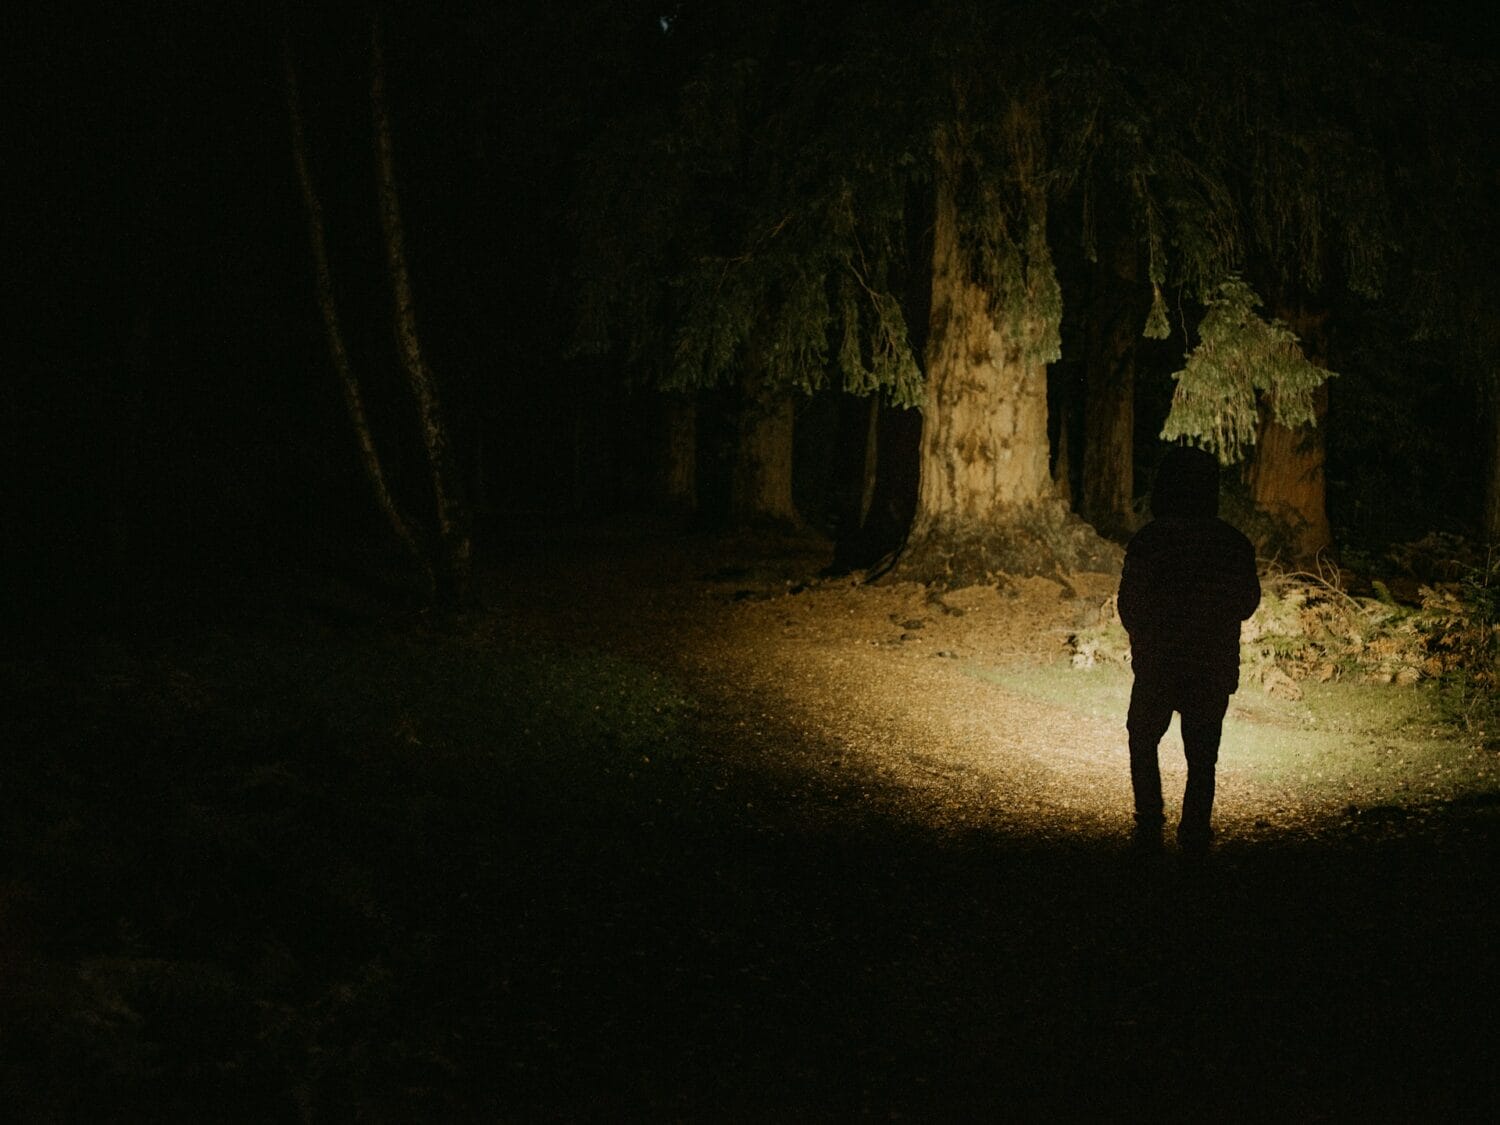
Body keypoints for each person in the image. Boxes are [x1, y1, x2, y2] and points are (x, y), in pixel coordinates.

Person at [1117, 445, 1261, 856]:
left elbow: (1129, 603)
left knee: (1142, 738)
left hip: (1159, 663)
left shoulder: (1149, 540)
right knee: (1202, 755)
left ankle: (1149, 820)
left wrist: (1145, 638)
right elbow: (1247, 603)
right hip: (1210, 664)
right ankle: (1195, 829)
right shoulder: (1232, 543)